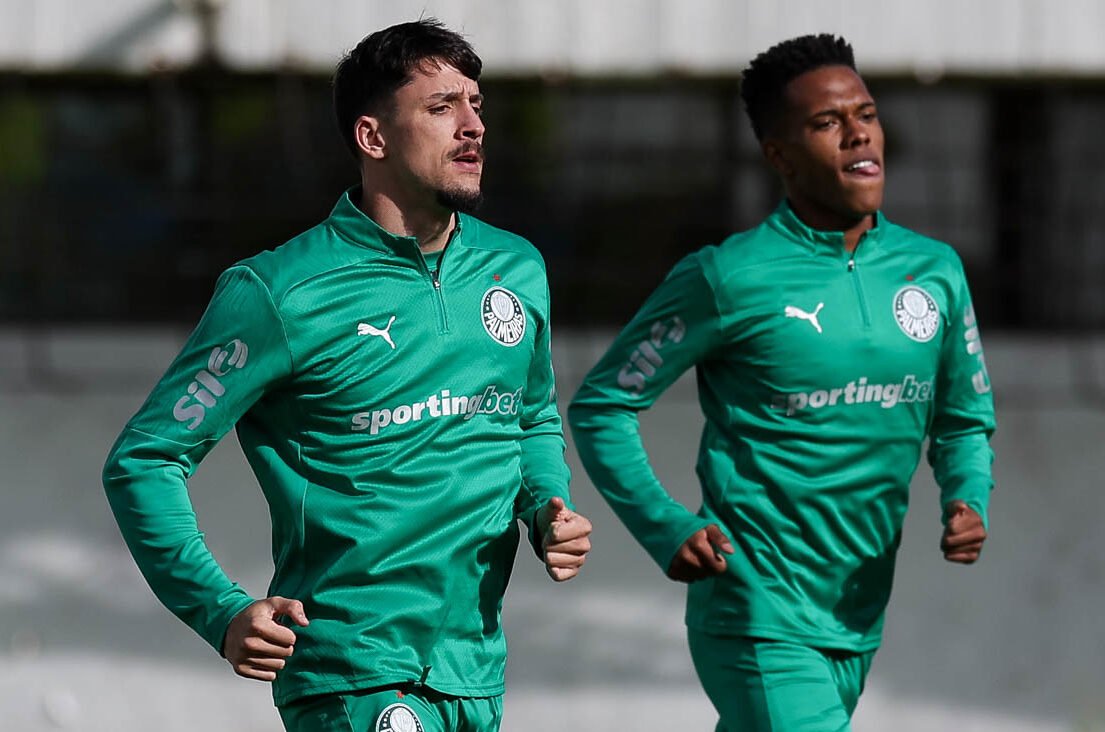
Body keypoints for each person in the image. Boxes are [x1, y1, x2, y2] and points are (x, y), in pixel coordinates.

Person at [103, 19, 592, 732]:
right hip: (355, 673)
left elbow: (528, 416)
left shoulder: (516, 267)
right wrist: (221, 609)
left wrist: (547, 505)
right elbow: (145, 460)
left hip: (476, 670)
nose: (473, 126)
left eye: (476, 104)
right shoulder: (279, 292)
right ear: (373, 137)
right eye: (441, 107)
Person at [568, 34, 994, 731]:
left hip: (855, 616)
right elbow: (602, 405)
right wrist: (664, 524)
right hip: (755, 609)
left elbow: (962, 418)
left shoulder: (934, 270)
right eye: (827, 122)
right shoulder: (729, 276)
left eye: (866, 113)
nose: (858, 133)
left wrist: (967, 494)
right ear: (779, 156)